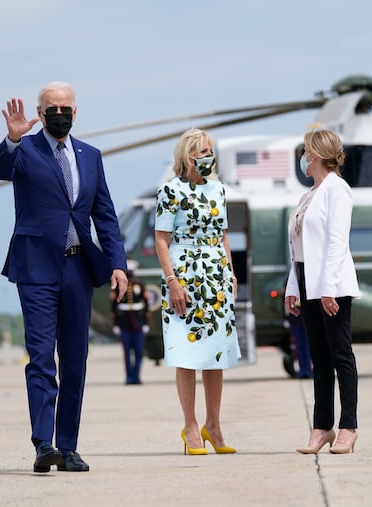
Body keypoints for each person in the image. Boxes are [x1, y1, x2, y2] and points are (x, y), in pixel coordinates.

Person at [0, 81, 128, 473]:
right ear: (40, 110)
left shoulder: (90, 155)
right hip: (35, 268)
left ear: (75, 111)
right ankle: (43, 443)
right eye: (52, 107)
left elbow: (105, 214)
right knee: (40, 357)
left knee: (75, 359)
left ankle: (67, 446)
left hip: (76, 268)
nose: (59, 113)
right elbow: (0, 170)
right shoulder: (27, 150)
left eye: (65, 107)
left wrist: (117, 263)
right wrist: (13, 139)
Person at [154, 128, 241, 456]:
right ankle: (190, 426)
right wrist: (173, 281)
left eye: (210, 151)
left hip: (215, 275)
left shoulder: (219, 190)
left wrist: (230, 273)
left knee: (215, 355)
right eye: (203, 152)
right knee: (187, 355)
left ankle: (214, 425)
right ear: (188, 156)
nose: (208, 157)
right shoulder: (170, 191)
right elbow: (161, 240)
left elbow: (223, 237)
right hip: (185, 275)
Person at [284, 129, 361, 455]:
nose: (303, 156)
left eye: (306, 150)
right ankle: (321, 427)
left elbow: (336, 242)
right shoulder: (309, 195)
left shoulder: (337, 190)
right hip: (307, 281)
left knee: (340, 355)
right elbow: (299, 246)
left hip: (331, 284)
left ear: (316, 155)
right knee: (319, 358)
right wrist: (293, 287)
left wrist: (328, 288)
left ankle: (348, 427)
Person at [111, 259, 151, 384]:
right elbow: (113, 306)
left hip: (138, 322)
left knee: (139, 352)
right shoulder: (118, 286)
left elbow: (146, 305)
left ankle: (136, 376)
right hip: (124, 323)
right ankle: (129, 377)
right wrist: (116, 324)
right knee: (127, 353)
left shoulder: (141, 285)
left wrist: (146, 323)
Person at [285, 299, 313, 379]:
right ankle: (303, 370)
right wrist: (286, 318)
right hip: (295, 320)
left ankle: (308, 369)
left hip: (306, 318)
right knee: (299, 346)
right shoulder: (289, 286)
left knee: (307, 346)